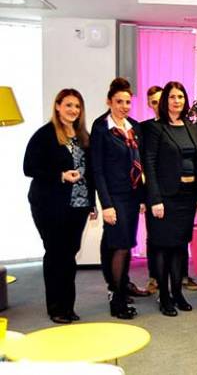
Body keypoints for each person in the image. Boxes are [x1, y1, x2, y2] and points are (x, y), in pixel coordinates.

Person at [24, 88, 97, 324]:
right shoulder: (44, 135)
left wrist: (92, 202)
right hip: (49, 204)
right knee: (56, 253)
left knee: (69, 254)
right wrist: (61, 175)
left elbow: (91, 172)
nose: (73, 110)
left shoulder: (83, 136)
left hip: (79, 205)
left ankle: (68, 306)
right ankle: (56, 308)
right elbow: (29, 168)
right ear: (57, 106)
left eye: (77, 106)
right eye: (68, 105)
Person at [141, 81, 197, 317]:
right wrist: (154, 199)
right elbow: (149, 164)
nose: (177, 101)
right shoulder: (155, 128)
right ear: (165, 101)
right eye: (173, 97)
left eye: (181, 97)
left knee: (179, 246)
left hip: (187, 197)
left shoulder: (191, 127)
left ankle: (177, 293)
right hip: (164, 198)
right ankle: (164, 296)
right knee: (162, 247)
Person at [90, 78, 147, 320]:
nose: (124, 106)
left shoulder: (133, 126)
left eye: (127, 102)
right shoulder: (101, 127)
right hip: (115, 196)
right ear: (109, 102)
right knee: (120, 245)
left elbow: (139, 163)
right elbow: (97, 169)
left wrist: (142, 197)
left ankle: (119, 287)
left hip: (132, 195)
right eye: (119, 101)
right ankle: (117, 299)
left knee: (123, 243)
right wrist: (106, 204)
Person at [141, 85, 163, 295]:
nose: (158, 106)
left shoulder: (181, 125)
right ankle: (154, 276)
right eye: (154, 102)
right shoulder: (144, 128)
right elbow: (141, 162)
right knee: (154, 235)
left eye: (161, 101)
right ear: (149, 104)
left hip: (176, 191)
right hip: (152, 190)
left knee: (179, 236)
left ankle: (182, 275)